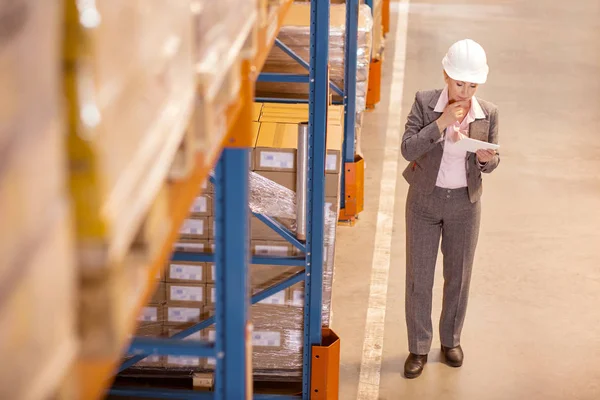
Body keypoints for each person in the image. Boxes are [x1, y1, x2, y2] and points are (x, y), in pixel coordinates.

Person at [401, 39, 500, 379]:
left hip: (465, 205)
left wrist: (489, 161)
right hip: (424, 202)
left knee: (458, 278)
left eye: (472, 85)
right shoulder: (425, 102)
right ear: (446, 75)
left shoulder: (488, 113)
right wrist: (441, 123)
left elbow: (493, 159)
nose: (465, 91)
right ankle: (417, 347)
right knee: (419, 278)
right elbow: (408, 148)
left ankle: (450, 340)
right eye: (460, 83)